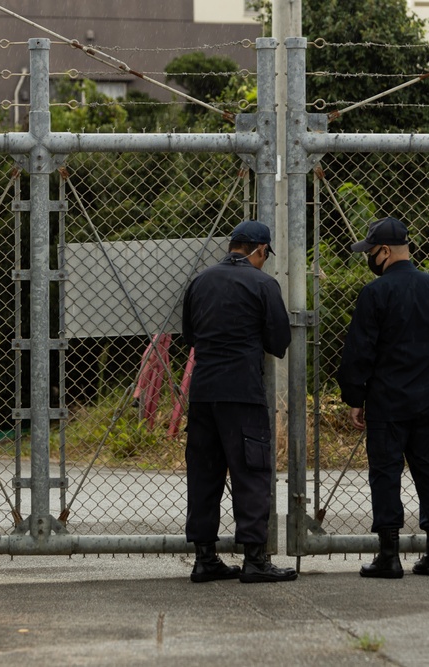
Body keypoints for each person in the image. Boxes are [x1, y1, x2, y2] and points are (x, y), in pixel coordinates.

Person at [337, 217, 429, 579]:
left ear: (385, 251)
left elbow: (358, 352)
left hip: (387, 401)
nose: (369, 259)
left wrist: (354, 397)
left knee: (385, 475)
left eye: (371, 252)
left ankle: (388, 556)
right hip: (428, 399)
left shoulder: (375, 294)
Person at [181, 219, 297, 584]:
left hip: (203, 393)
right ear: (260, 250)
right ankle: (255, 558)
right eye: (266, 255)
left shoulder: (200, 281)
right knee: (251, 473)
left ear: (232, 246)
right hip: (242, 392)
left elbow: (189, 335)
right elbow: (278, 342)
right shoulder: (263, 283)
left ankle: (204, 557)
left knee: (204, 474)